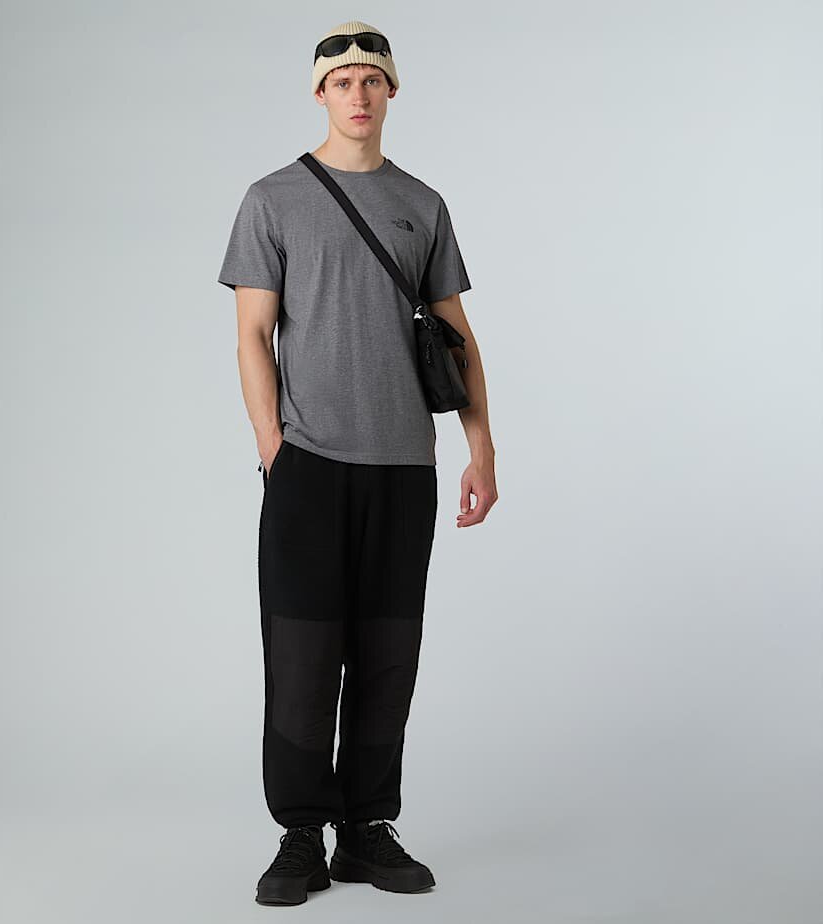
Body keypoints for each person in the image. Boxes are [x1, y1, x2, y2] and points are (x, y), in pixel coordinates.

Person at [218, 19, 498, 907]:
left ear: (392, 90)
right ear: (319, 93)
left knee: (387, 655)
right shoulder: (273, 198)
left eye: (373, 79)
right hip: (308, 463)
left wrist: (481, 449)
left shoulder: (423, 204)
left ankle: (367, 828)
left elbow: (456, 337)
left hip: (405, 466)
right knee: (302, 655)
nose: (359, 94)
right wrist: (273, 447)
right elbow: (252, 334)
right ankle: (301, 834)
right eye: (342, 81)